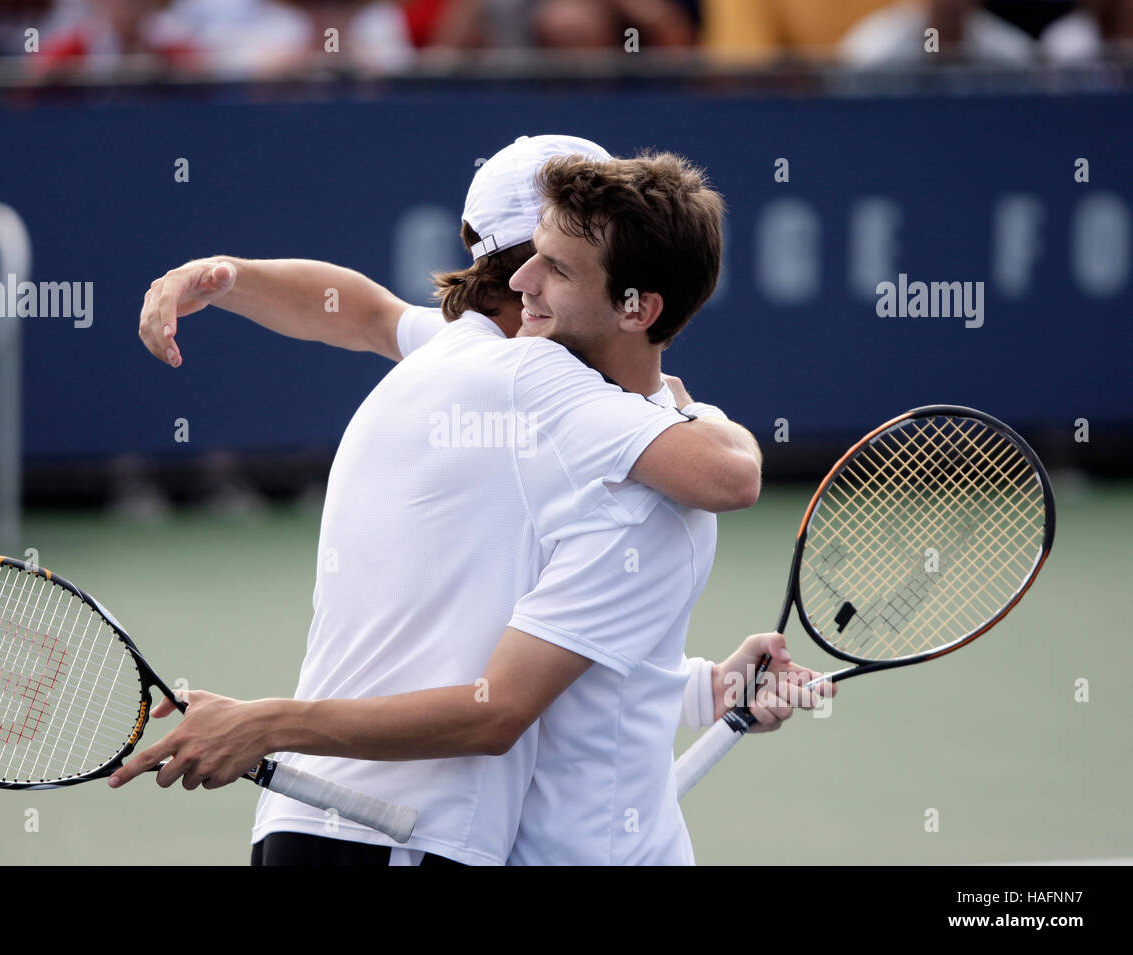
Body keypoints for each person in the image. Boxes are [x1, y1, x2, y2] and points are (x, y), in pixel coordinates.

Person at [117, 137, 829, 865]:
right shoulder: (541, 382)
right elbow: (733, 476)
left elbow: (364, 312)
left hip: (330, 821)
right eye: (537, 256)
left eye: (555, 264)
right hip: (407, 839)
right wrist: (693, 411)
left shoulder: (456, 358)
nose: (530, 280)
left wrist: (706, 688)